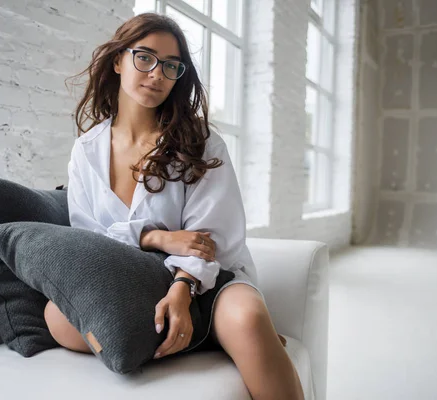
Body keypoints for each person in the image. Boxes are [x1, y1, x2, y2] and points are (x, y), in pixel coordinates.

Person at [43, 12, 304, 400]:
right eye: (144, 57)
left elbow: (211, 240)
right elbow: (89, 239)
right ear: (118, 61)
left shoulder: (201, 141)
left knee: (247, 318)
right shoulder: (86, 150)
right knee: (56, 317)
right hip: (132, 280)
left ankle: (216, 328)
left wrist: (182, 287)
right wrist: (157, 238)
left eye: (170, 66)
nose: (157, 74)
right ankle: (204, 337)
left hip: (209, 280)